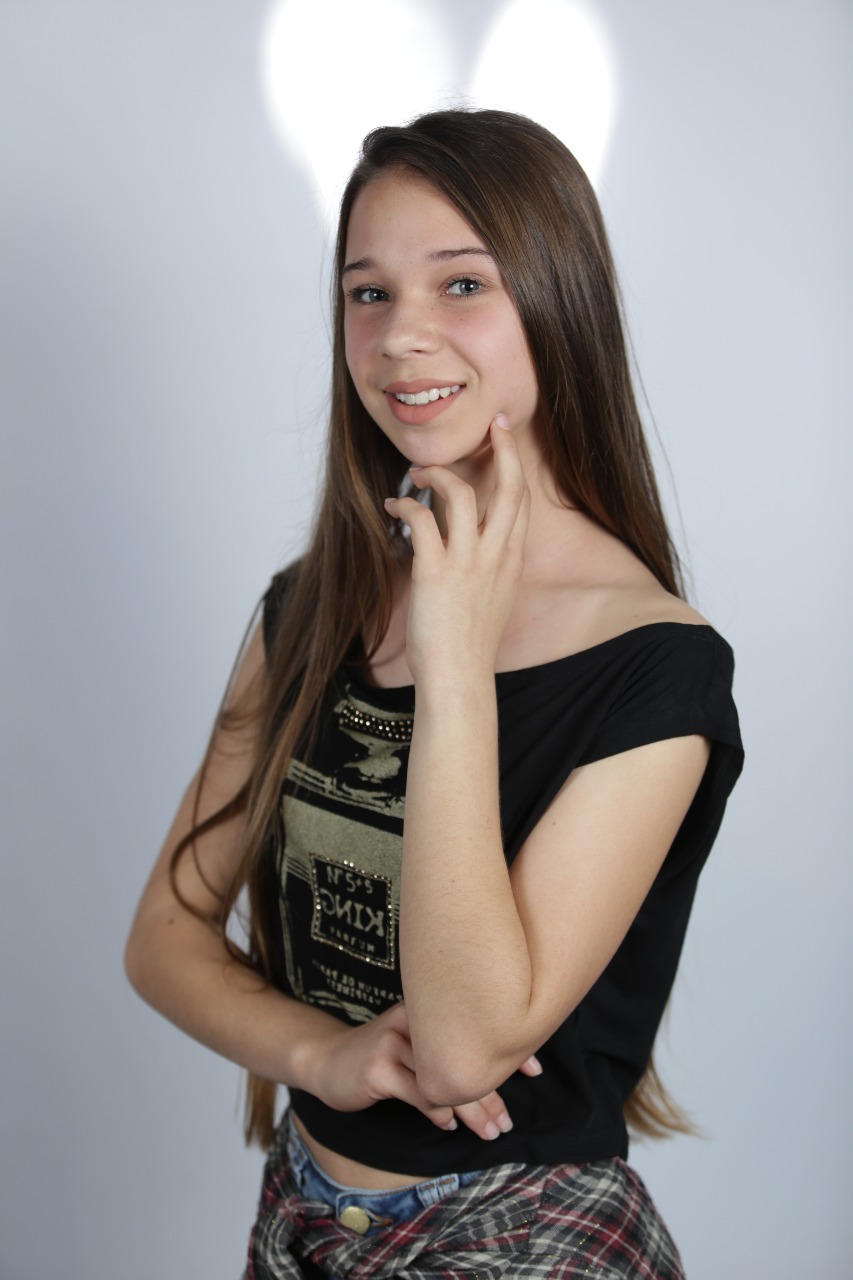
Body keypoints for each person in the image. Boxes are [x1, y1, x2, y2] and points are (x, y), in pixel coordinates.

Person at [125, 108, 743, 1278]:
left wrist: (454, 659)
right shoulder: (309, 605)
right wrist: (323, 1054)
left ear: (558, 302)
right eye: (368, 293)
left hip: (526, 1236)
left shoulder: (656, 666)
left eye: (462, 283)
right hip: (302, 1219)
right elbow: (162, 936)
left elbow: (464, 1049)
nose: (401, 335)